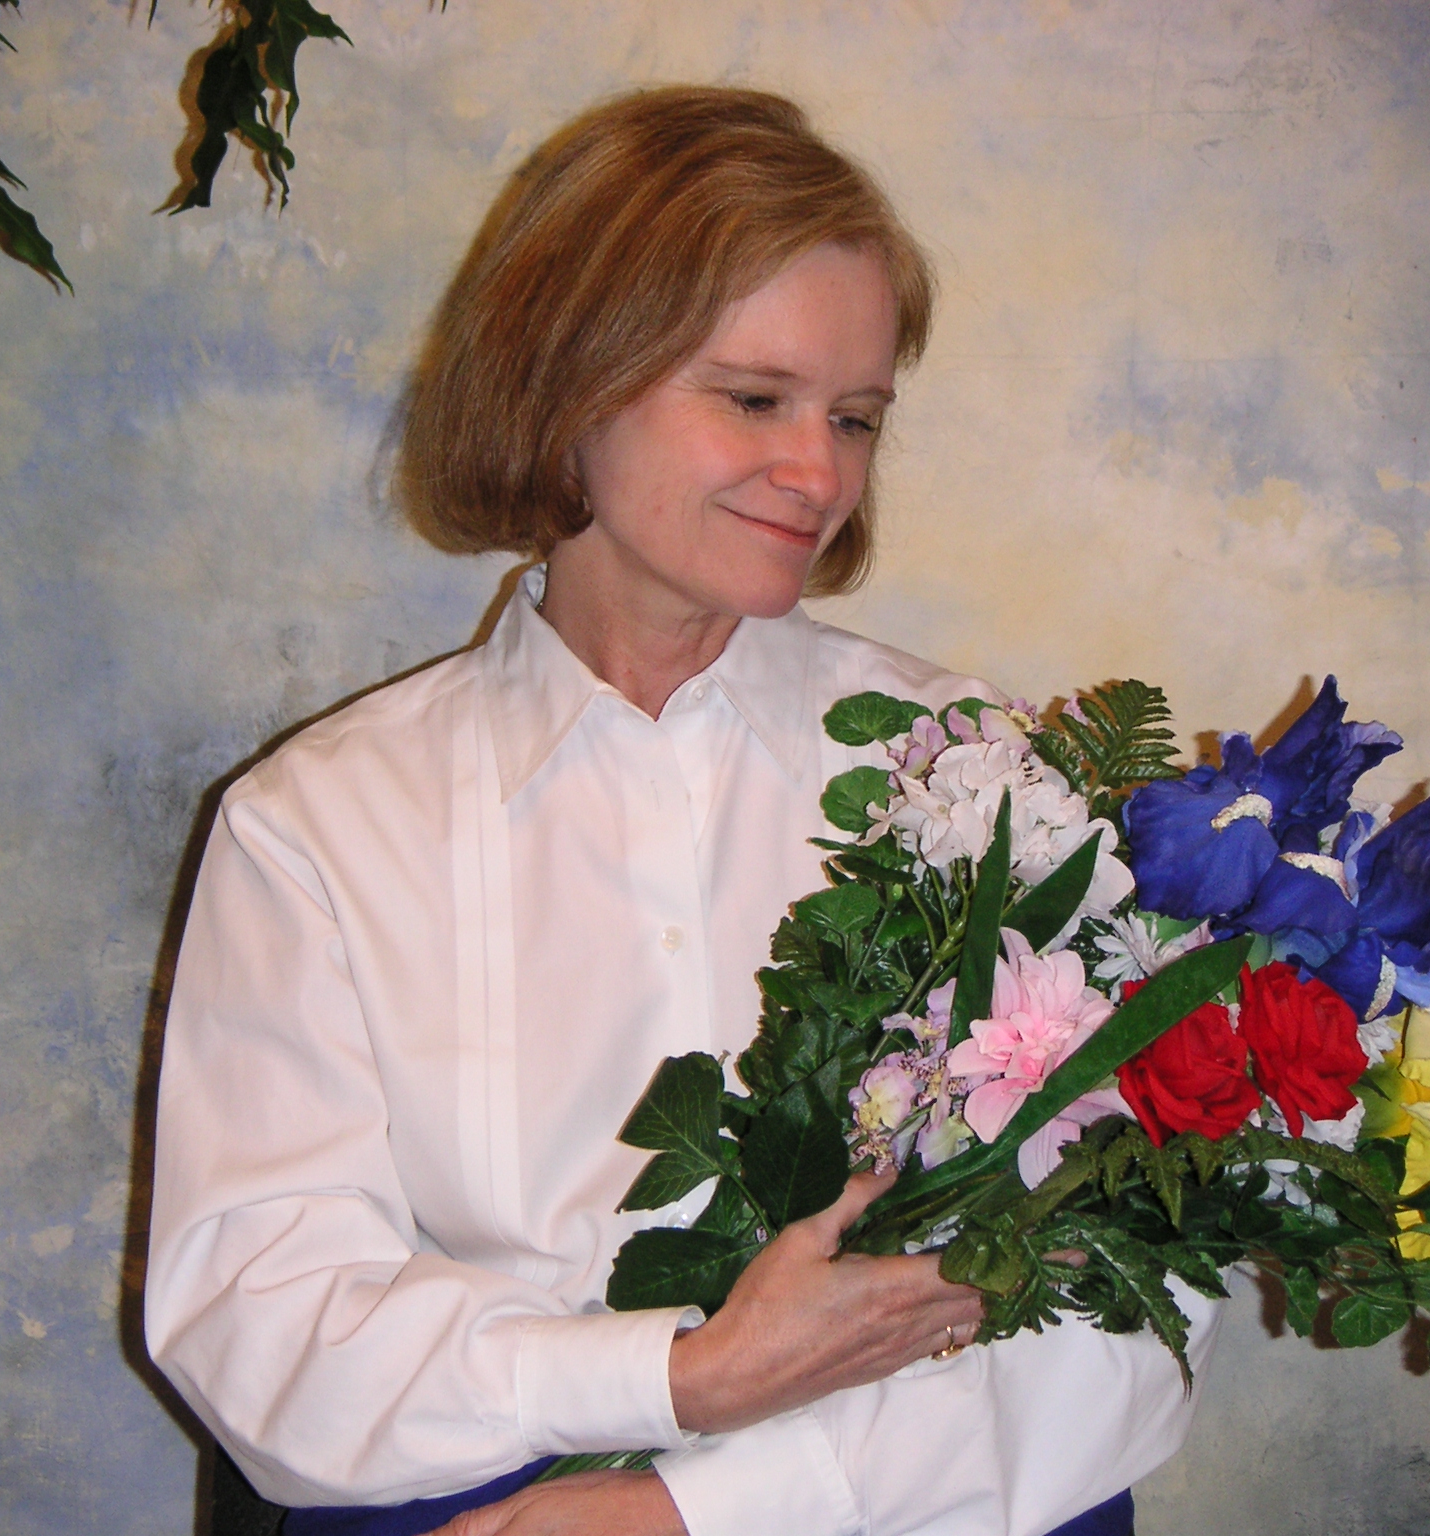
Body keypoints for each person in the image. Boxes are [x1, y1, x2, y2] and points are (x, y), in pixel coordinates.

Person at [144, 86, 1221, 1536]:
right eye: (755, 398)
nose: (820, 473)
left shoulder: (982, 780)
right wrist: (672, 1380)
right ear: (566, 383)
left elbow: (1134, 1299)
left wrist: (694, 1507)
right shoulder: (322, 827)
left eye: (855, 417)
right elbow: (259, 1320)